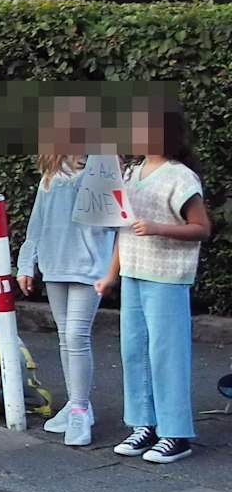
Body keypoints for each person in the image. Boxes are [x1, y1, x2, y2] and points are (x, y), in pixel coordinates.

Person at [97, 108, 210, 464]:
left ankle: (175, 433)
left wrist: (160, 228)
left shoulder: (180, 177)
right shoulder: (131, 173)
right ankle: (144, 425)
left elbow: (202, 228)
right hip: (134, 273)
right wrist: (111, 275)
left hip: (167, 276)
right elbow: (123, 229)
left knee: (166, 354)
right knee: (135, 352)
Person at [18, 154, 118, 447]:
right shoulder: (53, 171)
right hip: (55, 263)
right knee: (66, 337)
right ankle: (77, 403)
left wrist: (111, 270)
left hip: (89, 266)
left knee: (76, 336)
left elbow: (115, 225)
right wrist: (27, 263)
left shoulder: (103, 166)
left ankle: (79, 408)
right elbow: (38, 221)